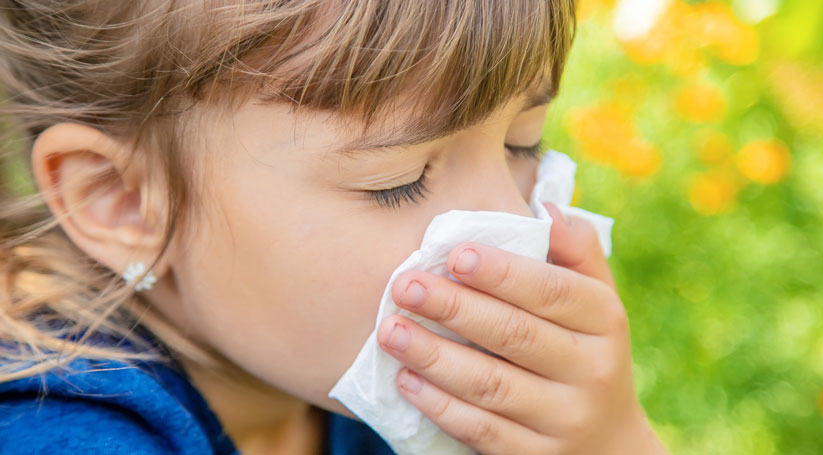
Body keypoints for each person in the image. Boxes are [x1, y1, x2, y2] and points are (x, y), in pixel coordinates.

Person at [0, 1, 668, 454]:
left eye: (523, 142)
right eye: (397, 181)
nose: (513, 220)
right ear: (120, 200)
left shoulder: (325, 375)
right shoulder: (61, 436)